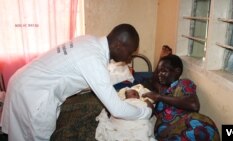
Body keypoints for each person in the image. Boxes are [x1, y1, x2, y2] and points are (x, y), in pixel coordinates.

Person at [0, 24, 152, 141]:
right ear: (119, 45)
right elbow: (117, 110)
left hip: (21, 80)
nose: (129, 58)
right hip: (33, 95)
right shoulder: (94, 60)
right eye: (130, 52)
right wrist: (145, 111)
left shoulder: (89, 40)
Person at [142, 55, 220, 141]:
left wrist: (160, 97)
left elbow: (194, 105)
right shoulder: (164, 90)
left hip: (187, 127)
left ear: (177, 71)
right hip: (167, 134)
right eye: (159, 71)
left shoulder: (182, 84)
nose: (160, 74)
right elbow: (154, 79)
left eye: (164, 71)